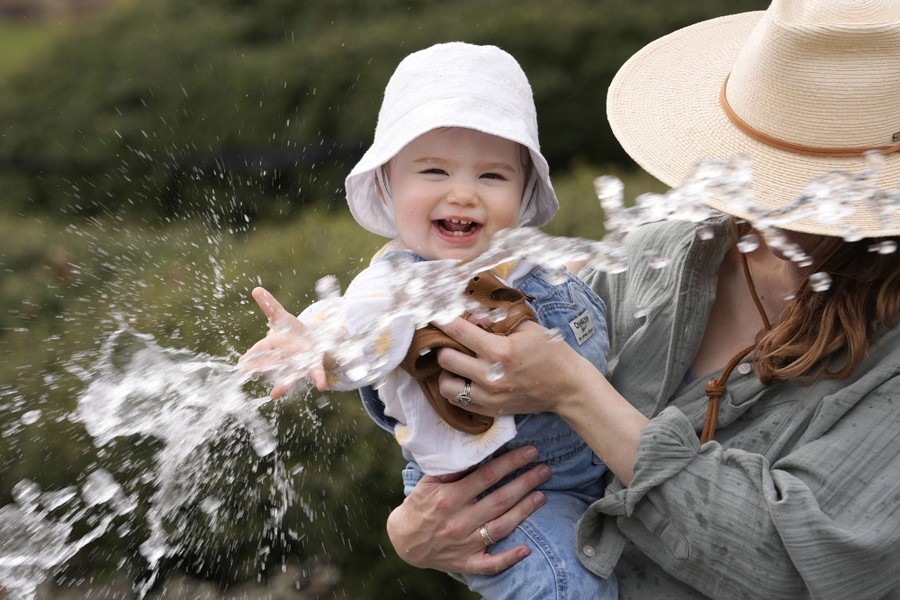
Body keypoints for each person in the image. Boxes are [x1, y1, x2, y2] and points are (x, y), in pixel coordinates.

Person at [384, 2, 900, 599]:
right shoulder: (666, 254)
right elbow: (536, 477)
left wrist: (576, 392)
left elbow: (792, 568)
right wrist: (421, 532)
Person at [240, 42, 618, 599]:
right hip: (505, 497)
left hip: (596, 474)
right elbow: (358, 330)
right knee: (563, 584)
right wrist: (314, 345)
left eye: (492, 176)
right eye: (435, 170)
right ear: (389, 186)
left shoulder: (527, 259)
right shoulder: (400, 283)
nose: (463, 192)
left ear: (524, 190)